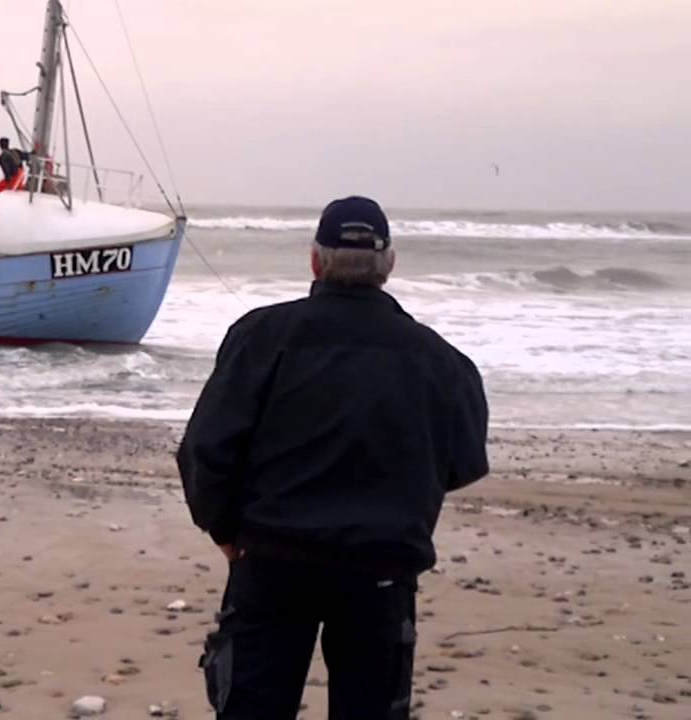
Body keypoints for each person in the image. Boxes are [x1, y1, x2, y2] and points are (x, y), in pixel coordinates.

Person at [177, 196, 489, 719]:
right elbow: (464, 461)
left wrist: (225, 530)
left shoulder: (261, 335)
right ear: (389, 264)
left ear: (315, 260)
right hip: (377, 566)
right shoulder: (440, 359)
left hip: (276, 558)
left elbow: (206, 449)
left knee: (252, 708)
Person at [0, 137, 29, 202]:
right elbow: (27, 156)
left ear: (0, 145)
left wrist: (8, 179)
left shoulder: (2, 156)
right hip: (21, 175)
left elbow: (6, 171)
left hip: (13, 177)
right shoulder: (15, 151)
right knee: (19, 189)